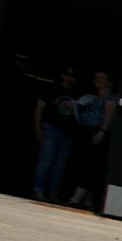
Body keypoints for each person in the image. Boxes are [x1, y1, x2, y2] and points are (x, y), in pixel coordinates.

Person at [67, 69, 118, 210]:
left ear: (109, 82)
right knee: (85, 163)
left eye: (102, 78)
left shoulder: (111, 98)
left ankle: (77, 197)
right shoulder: (90, 96)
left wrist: (102, 131)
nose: (98, 80)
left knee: (90, 164)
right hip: (86, 131)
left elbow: (109, 116)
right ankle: (88, 200)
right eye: (97, 77)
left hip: (98, 132)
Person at [30, 67, 80, 202]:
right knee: (46, 161)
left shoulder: (77, 96)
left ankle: (52, 193)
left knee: (59, 165)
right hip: (51, 128)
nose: (69, 77)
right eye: (67, 74)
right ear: (62, 75)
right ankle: (39, 190)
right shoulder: (51, 89)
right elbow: (39, 109)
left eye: (73, 75)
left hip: (68, 132)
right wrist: (38, 128)